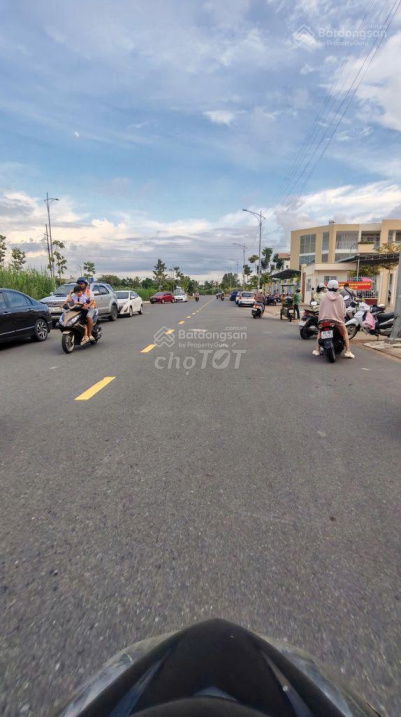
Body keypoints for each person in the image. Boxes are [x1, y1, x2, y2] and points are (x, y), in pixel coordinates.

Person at [313, 279, 354, 359]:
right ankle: (348, 351)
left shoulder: (324, 296)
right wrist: (343, 316)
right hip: (337, 321)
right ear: (337, 288)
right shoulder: (340, 297)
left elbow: (321, 308)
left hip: (323, 320)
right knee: (345, 333)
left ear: (328, 287)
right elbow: (343, 310)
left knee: (320, 332)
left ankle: (317, 350)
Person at [72, 277, 97, 343]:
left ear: (85, 284)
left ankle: (90, 334)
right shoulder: (77, 291)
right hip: (79, 308)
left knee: (88, 317)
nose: (80, 285)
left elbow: (92, 300)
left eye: (81, 283)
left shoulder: (89, 292)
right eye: (79, 284)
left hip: (91, 307)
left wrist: (88, 305)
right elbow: (71, 299)